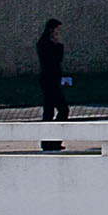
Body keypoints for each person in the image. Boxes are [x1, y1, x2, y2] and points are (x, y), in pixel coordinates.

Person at [35, 18, 68, 152]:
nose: (58, 33)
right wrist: (57, 45)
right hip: (49, 81)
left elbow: (58, 60)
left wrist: (58, 45)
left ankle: (50, 142)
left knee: (49, 111)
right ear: (51, 29)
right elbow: (51, 61)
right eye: (57, 30)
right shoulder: (44, 44)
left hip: (53, 80)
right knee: (61, 109)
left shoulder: (50, 44)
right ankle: (51, 141)